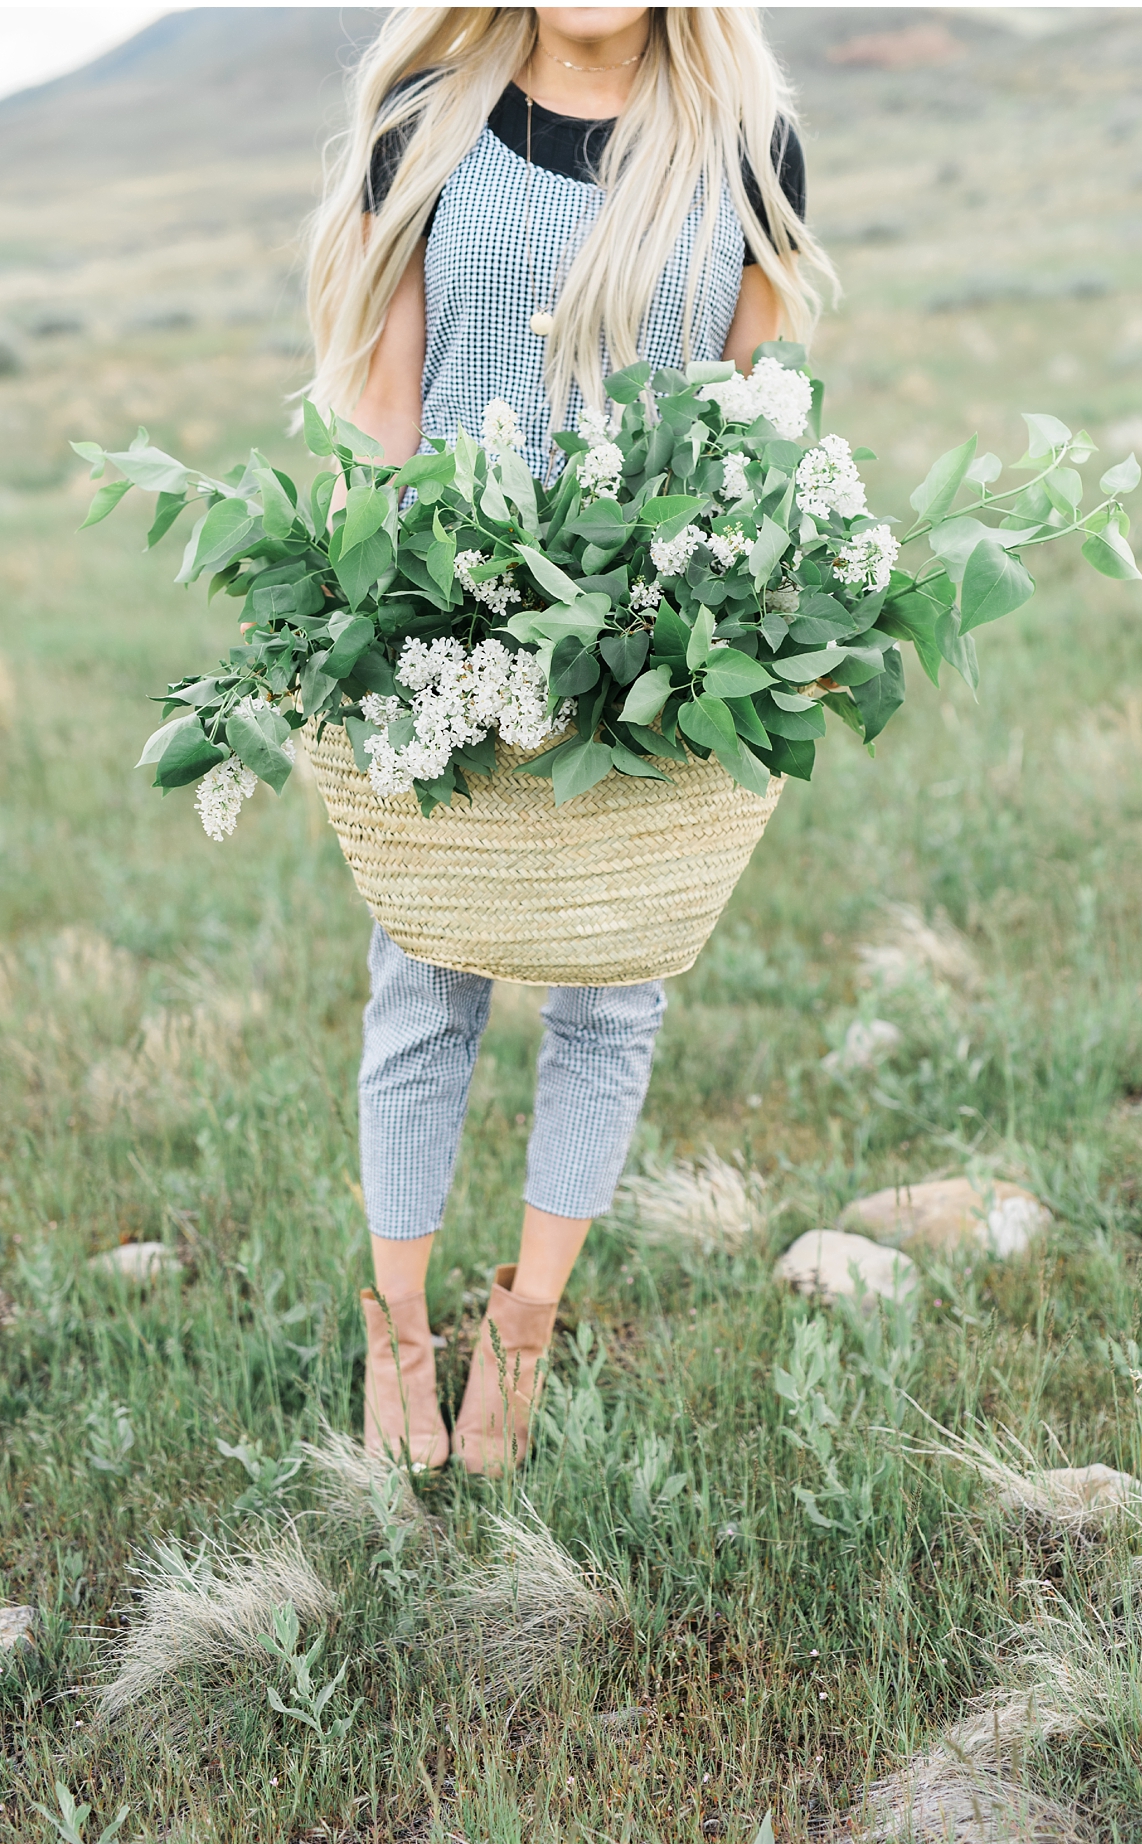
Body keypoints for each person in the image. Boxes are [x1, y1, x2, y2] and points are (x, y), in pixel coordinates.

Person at [299, 7, 837, 1474]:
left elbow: (756, 423)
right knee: (424, 972)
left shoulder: (749, 146)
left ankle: (522, 1334)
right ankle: (398, 1333)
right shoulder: (428, 118)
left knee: (615, 983)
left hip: (648, 651)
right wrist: (378, 605)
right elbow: (383, 407)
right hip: (456, 622)